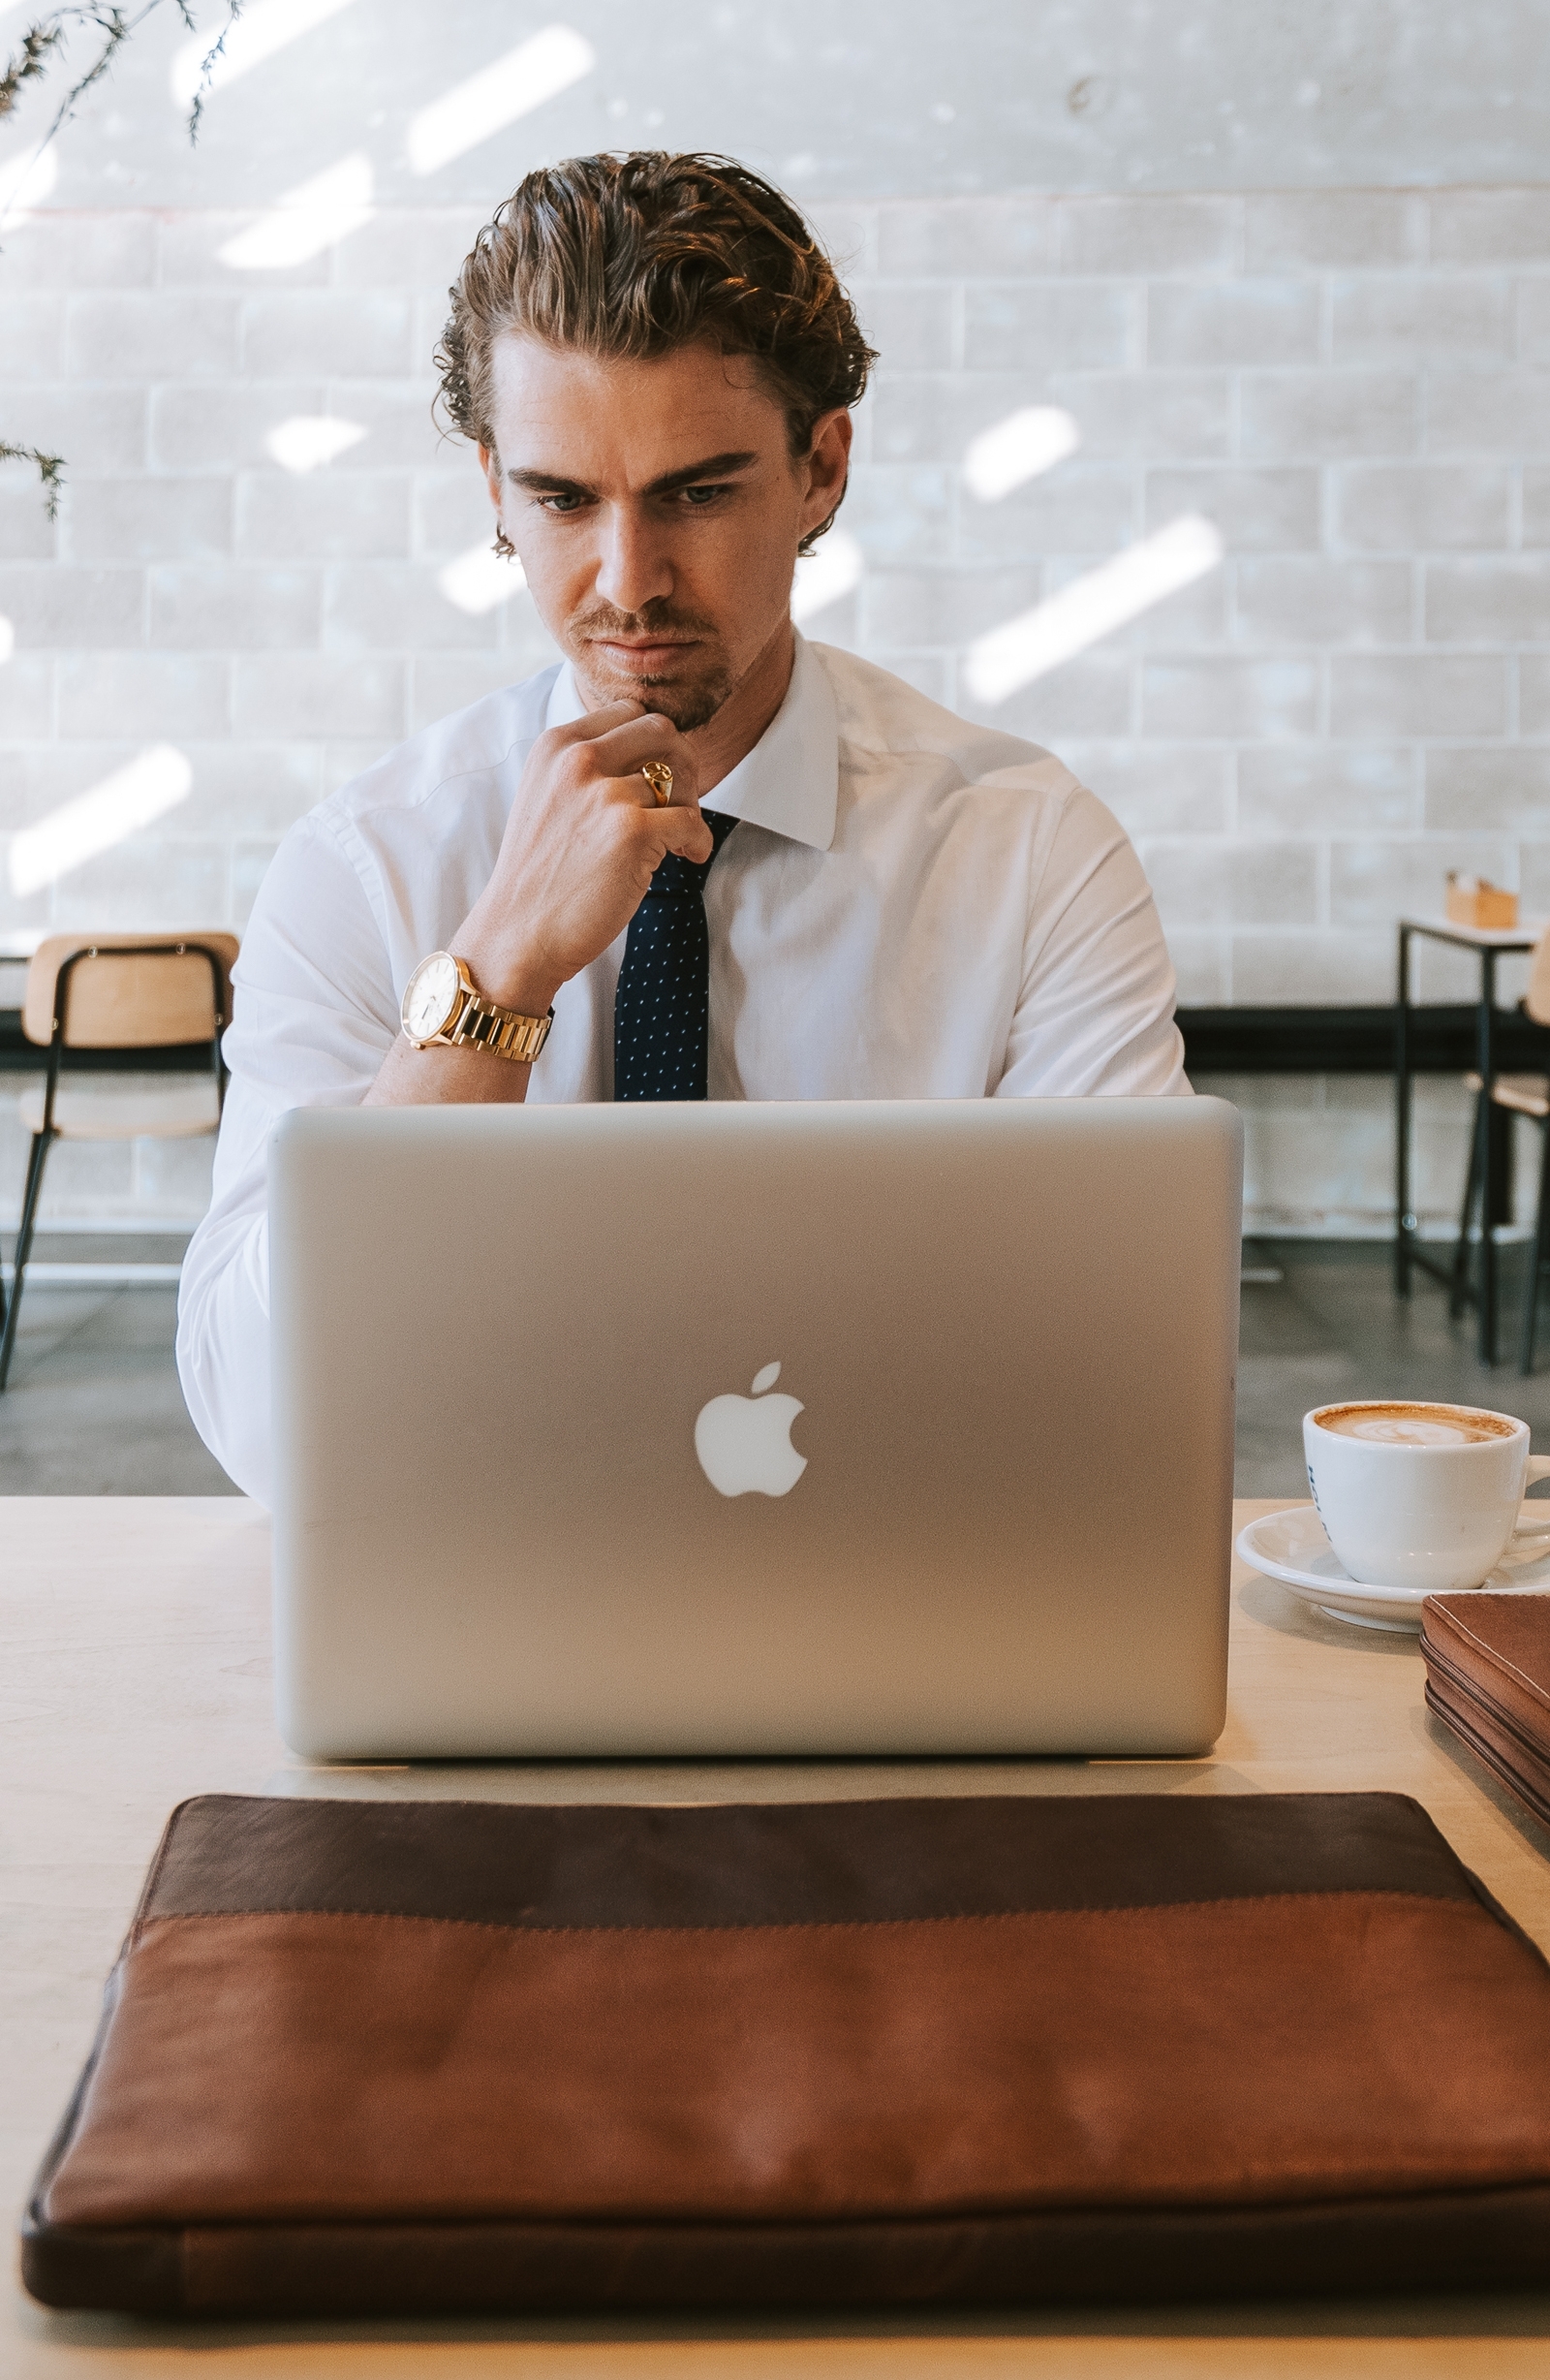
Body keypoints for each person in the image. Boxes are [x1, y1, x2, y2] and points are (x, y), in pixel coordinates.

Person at [177, 151, 1189, 1503]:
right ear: (492, 488)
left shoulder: (1028, 856)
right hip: (486, 1594)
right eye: (562, 500)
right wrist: (491, 981)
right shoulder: (368, 866)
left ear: (822, 467)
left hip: (894, 1588)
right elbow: (262, 1429)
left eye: (698, 493)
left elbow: (1129, 1372)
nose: (628, 581)